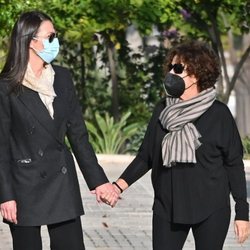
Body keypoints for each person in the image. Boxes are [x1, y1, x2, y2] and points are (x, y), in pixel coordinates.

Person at [107, 40, 250, 250]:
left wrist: (242, 213)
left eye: (178, 68)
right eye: (171, 67)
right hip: (168, 207)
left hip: (211, 209)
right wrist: (117, 186)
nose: (171, 74)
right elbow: (146, 156)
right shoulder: (163, 110)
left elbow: (234, 164)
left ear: (197, 74)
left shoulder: (219, 114)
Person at [0, 11, 119, 250]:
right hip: (24, 186)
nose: (56, 41)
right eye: (51, 36)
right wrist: (5, 196)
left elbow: (78, 135)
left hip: (61, 184)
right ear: (31, 41)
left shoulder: (62, 78)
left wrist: (99, 182)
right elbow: (0, 147)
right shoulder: (6, 86)